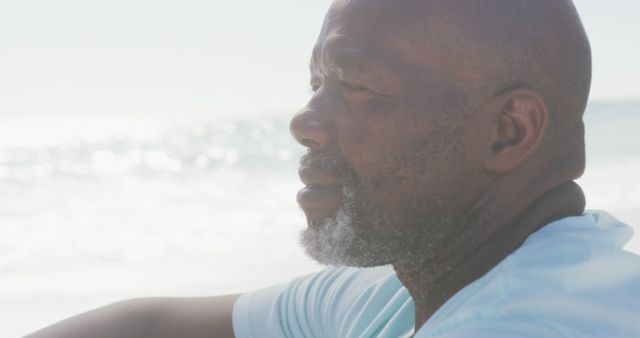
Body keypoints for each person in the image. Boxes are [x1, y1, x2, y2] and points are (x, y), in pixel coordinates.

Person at [26, 0, 640, 337]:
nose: (305, 120)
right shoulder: (406, 293)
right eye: (317, 82)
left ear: (508, 132)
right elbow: (149, 326)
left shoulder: (537, 322)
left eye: (355, 85)